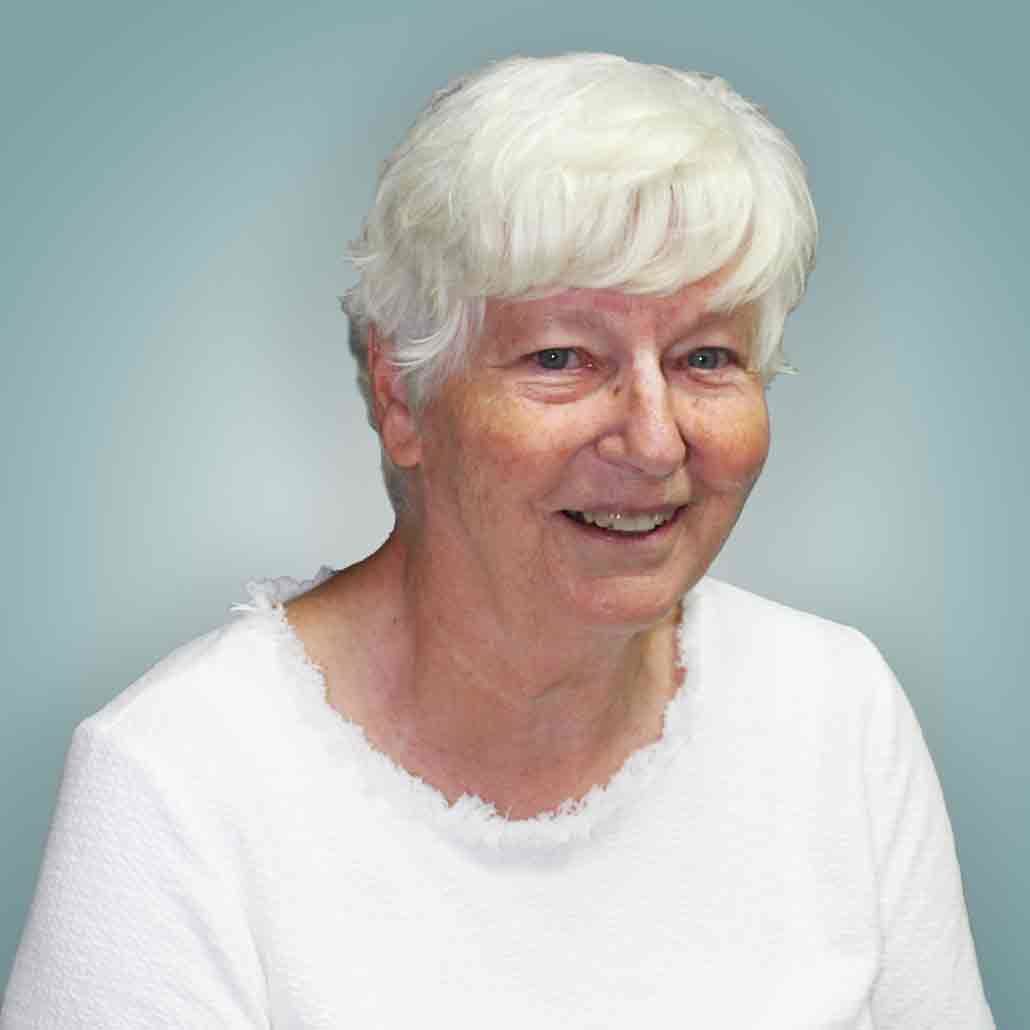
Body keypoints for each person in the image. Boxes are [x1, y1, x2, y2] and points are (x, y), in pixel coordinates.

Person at [1, 53, 993, 1028]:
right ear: (402, 396)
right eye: (561, 358)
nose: (654, 441)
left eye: (705, 358)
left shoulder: (834, 710)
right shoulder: (180, 779)